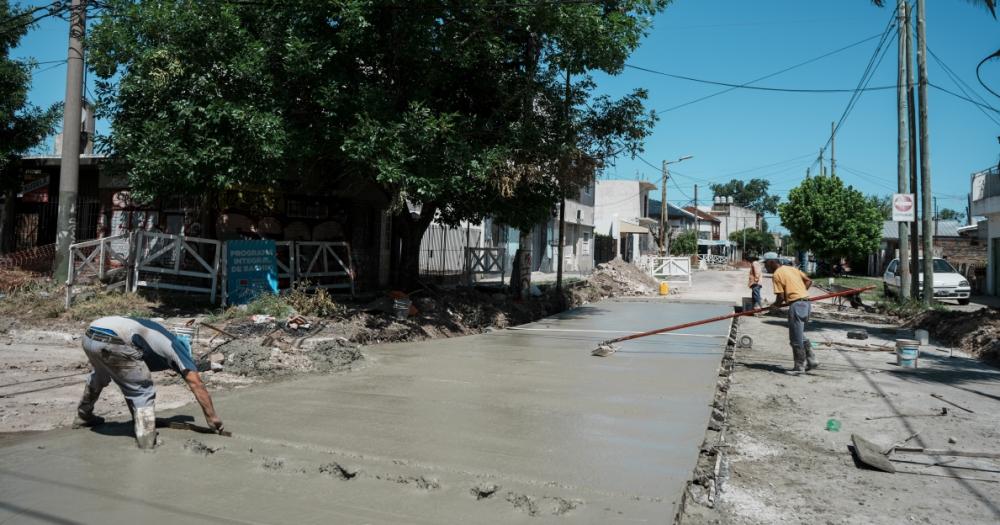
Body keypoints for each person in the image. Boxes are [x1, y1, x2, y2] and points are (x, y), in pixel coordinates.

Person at [73, 316, 224, 449]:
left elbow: (128, 379)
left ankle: (83, 416)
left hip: (91, 334)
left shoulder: (156, 339)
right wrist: (212, 417)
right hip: (116, 340)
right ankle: (146, 440)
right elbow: (196, 383)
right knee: (142, 390)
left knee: (100, 374)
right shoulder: (177, 348)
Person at [762, 252, 818, 373]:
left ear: (772, 262)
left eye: (766, 264)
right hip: (806, 303)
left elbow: (780, 297)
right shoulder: (791, 269)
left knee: (795, 338)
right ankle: (812, 359)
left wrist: (774, 306)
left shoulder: (777, 274)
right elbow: (808, 281)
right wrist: (801, 293)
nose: (765, 267)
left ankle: (799, 366)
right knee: (798, 334)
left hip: (796, 305)